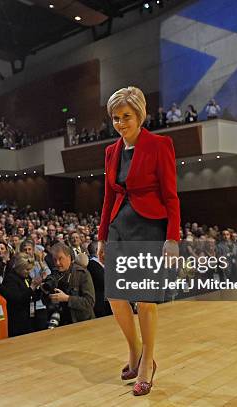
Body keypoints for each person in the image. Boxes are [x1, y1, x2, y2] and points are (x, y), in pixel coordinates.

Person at [98, 86, 180, 396]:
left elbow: (171, 195)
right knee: (117, 298)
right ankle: (136, 352)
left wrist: (172, 237)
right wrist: (102, 237)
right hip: (119, 226)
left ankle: (146, 365)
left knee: (145, 300)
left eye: (126, 117)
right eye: (115, 118)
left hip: (149, 228)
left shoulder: (160, 145)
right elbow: (107, 197)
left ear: (140, 115)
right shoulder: (110, 151)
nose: (120, 123)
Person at [44, 242, 95, 325]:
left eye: (60, 259)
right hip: (61, 322)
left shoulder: (82, 274)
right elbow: (46, 302)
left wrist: (67, 298)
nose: (57, 263)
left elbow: (89, 302)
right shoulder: (53, 275)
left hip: (81, 322)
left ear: (69, 258)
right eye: (54, 260)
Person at [0, 253, 41, 337]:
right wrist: (32, 287)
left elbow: (32, 296)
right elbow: (16, 299)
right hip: (17, 322)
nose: (29, 272)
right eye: (26, 270)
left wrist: (38, 288)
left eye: (30, 270)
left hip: (29, 318)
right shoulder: (10, 278)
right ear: (19, 268)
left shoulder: (26, 277)